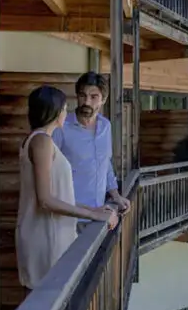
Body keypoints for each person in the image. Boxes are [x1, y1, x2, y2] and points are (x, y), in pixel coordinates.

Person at [16, 85, 118, 290]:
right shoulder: (42, 142)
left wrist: (93, 209)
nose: (66, 112)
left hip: (52, 232)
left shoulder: (42, 140)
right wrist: (92, 216)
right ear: (54, 111)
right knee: (45, 303)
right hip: (44, 234)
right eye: (64, 107)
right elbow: (45, 200)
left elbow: (56, 195)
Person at [53, 72, 131, 232]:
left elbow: (105, 164)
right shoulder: (61, 127)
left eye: (94, 96)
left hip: (99, 214)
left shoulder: (105, 126)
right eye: (82, 95)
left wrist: (116, 196)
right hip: (70, 217)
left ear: (103, 100)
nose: (86, 101)